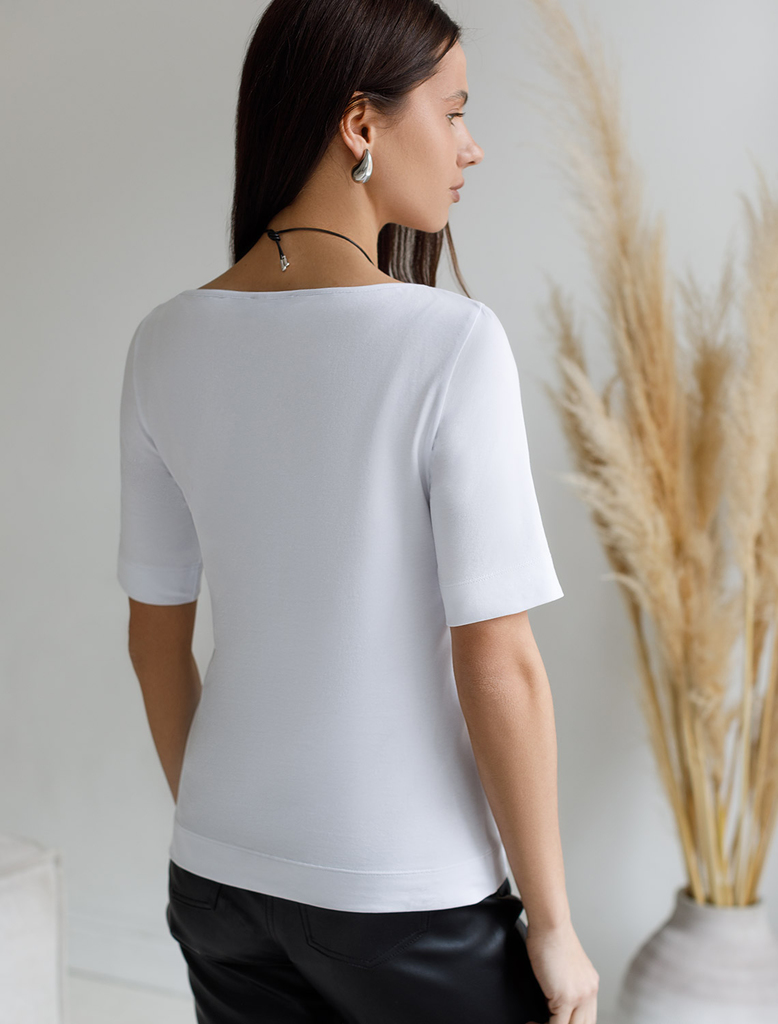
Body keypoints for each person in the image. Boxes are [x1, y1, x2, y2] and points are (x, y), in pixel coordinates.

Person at [117, 0, 599, 1021]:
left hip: (217, 882)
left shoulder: (162, 343)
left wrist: (232, 836)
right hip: (406, 897)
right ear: (360, 124)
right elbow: (499, 660)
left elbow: (154, 644)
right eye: (453, 110)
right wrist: (554, 924)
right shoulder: (450, 344)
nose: (471, 145)